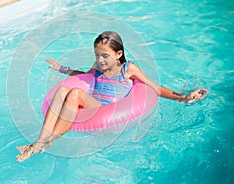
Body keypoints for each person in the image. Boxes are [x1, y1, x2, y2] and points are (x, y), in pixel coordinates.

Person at [16, 31, 208, 162]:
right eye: (97, 55)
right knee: (62, 91)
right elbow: (85, 77)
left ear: (118, 54)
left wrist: (183, 98)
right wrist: (63, 69)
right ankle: (40, 141)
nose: (100, 60)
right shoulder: (98, 66)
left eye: (104, 56)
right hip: (94, 105)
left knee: (73, 93)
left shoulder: (128, 69)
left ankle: (49, 141)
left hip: (108, 113)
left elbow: (156, 88)